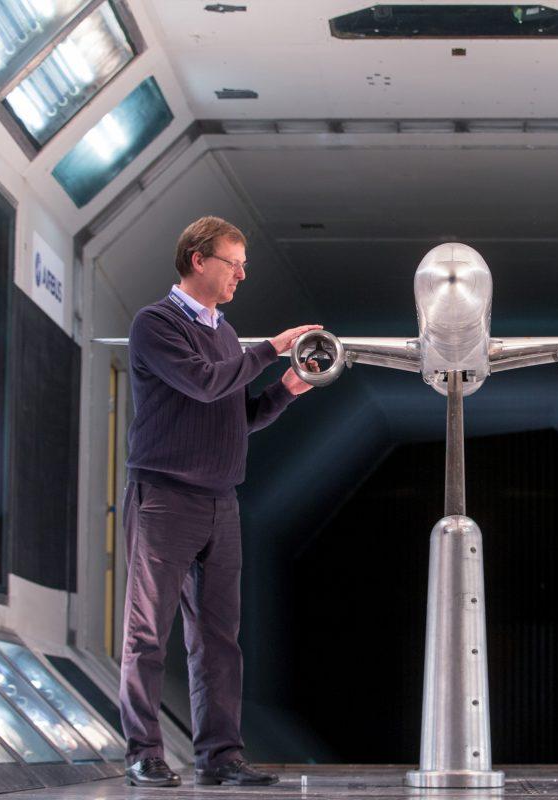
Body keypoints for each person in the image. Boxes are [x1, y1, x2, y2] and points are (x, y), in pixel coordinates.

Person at [119, 216, 320, 788]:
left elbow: (236, 417)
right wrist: (271, 348)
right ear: (198, 259)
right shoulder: (156, 325)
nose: (242, 274)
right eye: (235, 263)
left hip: (219, 503)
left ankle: (221, 757)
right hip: (164, 498)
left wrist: (285, 390)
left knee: (218, 639)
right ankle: (143, 752)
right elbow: (206, 383)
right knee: (148, 633)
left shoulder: (226, 336)